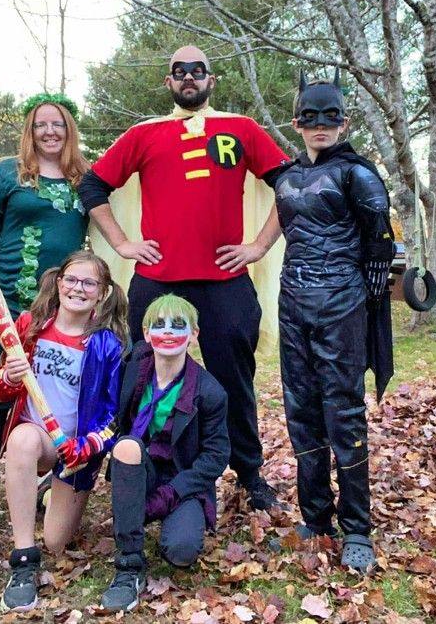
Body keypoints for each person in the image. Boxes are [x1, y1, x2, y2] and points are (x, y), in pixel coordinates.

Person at [78, 45, 289, 510]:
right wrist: (123, 243)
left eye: (198, 70)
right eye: (179, 71)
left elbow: (288, 184)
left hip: (225, 282)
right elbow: (92, 185)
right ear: (169, 82)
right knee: (141, 377)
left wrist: (258, 246)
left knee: (234, 381)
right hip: (159, 282)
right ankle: (136, 464)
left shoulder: (242, 129)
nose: (189, 77)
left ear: (212, 80)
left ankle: (249, 474)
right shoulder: (144, 134)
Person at [271, 71, 396, 572]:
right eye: (310, 117)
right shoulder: (284, 177)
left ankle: (357, 528)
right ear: (297, 123)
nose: (320, 125)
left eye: (330, 116)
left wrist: (365, 304)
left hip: (342, 304)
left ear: (344, 122)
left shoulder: (358, 175)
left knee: (343, 413)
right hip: (293, 304)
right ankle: (316, 517)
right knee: (300, 410)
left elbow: (379, 247)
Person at [0, 93, 90, 535]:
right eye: (41, 124)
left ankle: (45, 480)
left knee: (56, 391)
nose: (50, 132)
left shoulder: (84, 179)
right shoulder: (8, 174)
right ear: (30, 131)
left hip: (63, 306)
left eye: (58, 124)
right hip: (10, 303)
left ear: (69, 130)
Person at [0, 250, 128, 612]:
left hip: (74, 453)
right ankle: (23, 559)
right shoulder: (30, 327)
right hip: (35, 437)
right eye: (72, 280)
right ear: (59, 281)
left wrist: (87, 446)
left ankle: (49, 493)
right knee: (21, 440)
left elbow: (114, 416)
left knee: (56, 542)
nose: (78, 288)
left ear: (103, 292)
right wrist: (9, 377)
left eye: (89, 283)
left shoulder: (107, 345)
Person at [99, 294, 230, 613]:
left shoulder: (210, 392)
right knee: (127, 445)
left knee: (181, 553)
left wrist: (170, 494)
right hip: (140, 467)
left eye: (178, 324)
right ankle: (129, 564)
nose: (168, 331)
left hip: (183, 479)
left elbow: (216, 456)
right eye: (159, 325)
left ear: (194, 334)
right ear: (146, 334)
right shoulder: (133, 369)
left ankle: (160, 516)